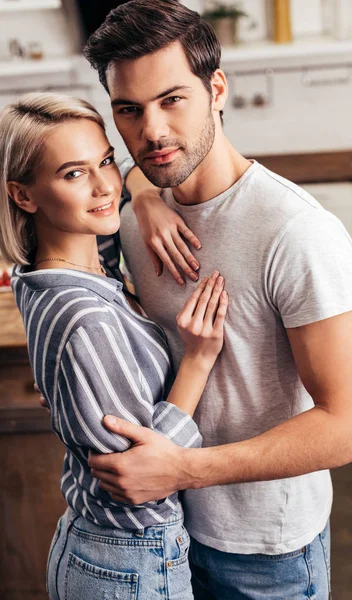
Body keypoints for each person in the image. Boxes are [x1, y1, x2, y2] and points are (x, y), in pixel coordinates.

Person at [81, 2, 352, 599]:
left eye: (173, 100)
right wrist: (141, 194)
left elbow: (350, 426)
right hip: (165, 532)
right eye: (130, 110)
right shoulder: (137, 214)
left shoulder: (295, 232)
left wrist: (184, 468)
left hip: (265, 550)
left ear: (216, 88)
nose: (153, 131)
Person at [0, 91, 229, 600]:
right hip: (132, 558)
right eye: (73, 173)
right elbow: (142, 478)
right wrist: (198, 358)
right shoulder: (87, 318)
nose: (105, 185)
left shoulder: (44, 273)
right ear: (23, 195)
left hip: (96, 548)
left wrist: (143, 197)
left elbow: (136, 173)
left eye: (105, 160)